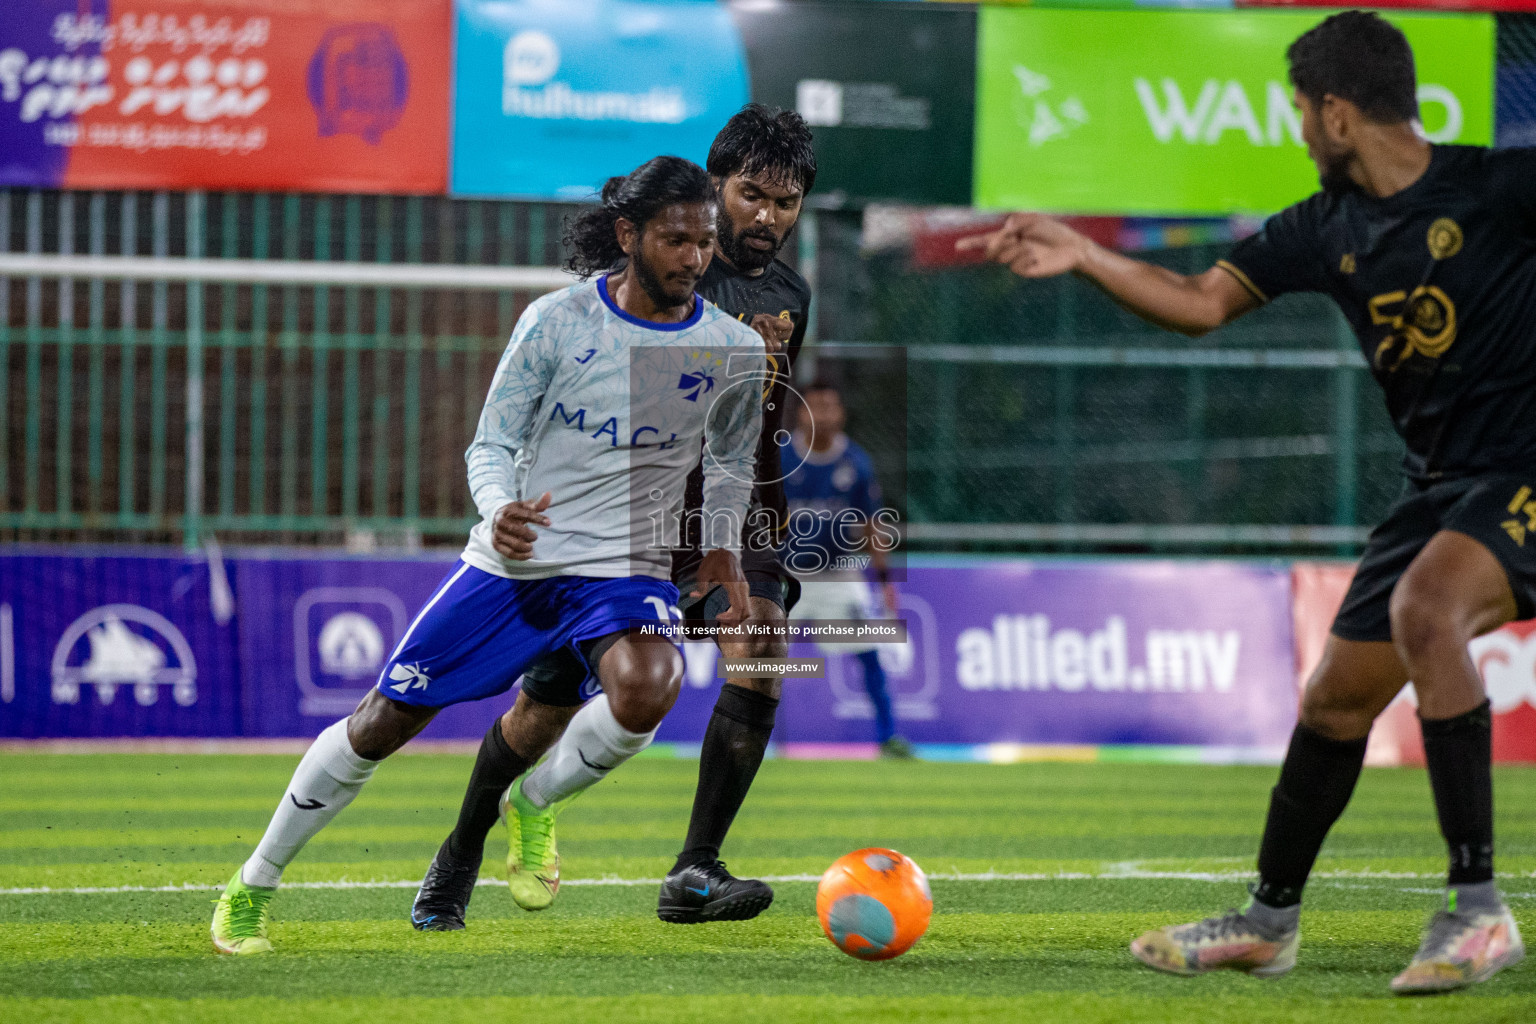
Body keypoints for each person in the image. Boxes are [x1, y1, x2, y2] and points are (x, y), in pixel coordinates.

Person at [959, 10, 1528, 996]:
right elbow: (1199, 304)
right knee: (1336, 698)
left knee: (1428, 611)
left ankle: (1477, 914)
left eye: (1303, 114)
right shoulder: (1324, 227)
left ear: (1339, 113)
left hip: (1526, 472)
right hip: (1437, 488)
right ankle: (1267, 922)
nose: (1301, 133)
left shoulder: (1500, 188)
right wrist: (1087, 255)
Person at [210, 155, 764, 952]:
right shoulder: (557, 322)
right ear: (628, 235)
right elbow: (493, 440)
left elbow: (735, 460)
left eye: (705, 242)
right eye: (675, 240)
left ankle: (534, 805)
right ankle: (253, 884)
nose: (693, 259)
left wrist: (721, 551)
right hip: (518, 565)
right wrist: (499, 507)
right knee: (380, 724)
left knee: (651, 685)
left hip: (624, 570)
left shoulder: (732, 347)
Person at [416, 104, 819, 929]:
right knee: (543, 711)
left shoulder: (789, 294)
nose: (768, 218)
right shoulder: (669, 263)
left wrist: (757, 534)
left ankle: (694, 870)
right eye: (752, 195)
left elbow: (756, 422)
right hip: (624, 517)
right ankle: (463, 846)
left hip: (731, 513)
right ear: (714, 189)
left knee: (764, 647)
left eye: (787, 202)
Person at [783, 382, 910, 758]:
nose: (824, 415)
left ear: (841, 415)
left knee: (868, 652)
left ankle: (888, 737)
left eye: (831, 407)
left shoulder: (855, 462)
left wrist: (884, 580)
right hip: (783, 577)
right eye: (815, 406)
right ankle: (742, 735)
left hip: (838, 575)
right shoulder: (777, 457)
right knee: (758, 657)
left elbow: (873, 526)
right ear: (800, 413)